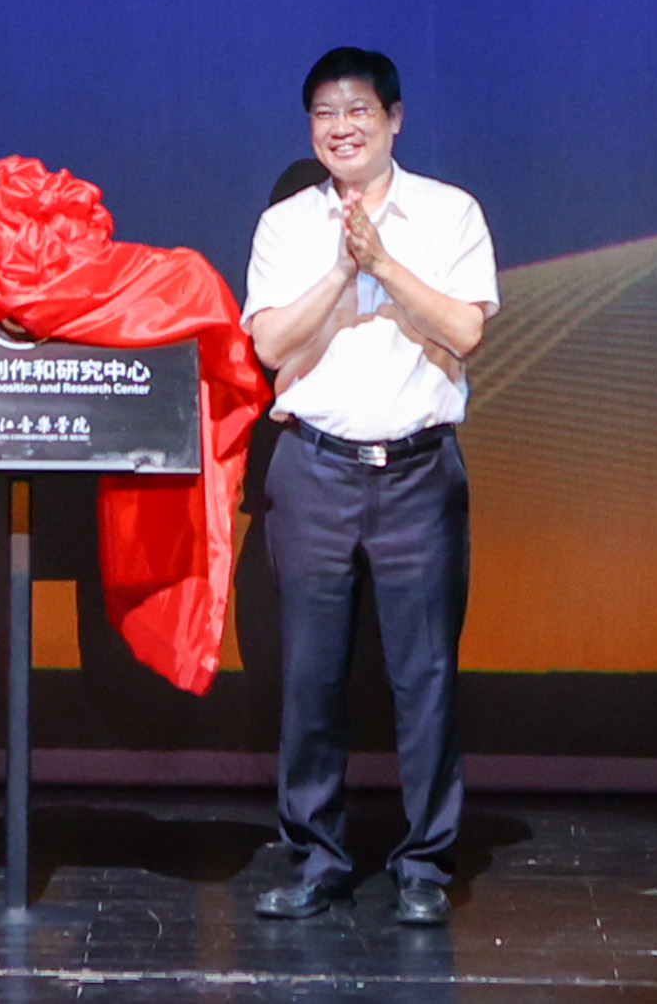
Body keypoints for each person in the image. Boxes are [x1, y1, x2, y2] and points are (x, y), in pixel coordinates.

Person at [239, 46, 496, 927]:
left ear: (394, 119)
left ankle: (424, 867)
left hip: (419, 473)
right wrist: (343, 270)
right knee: (310, 679)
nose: (341, 127)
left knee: (425, 678)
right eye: (324, 114)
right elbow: (271, 345)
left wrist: (383, 263)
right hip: (313, 470)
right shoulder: (287, 225)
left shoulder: (450, 213)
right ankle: (317, 859)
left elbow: (466, 329)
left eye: (358, 111)